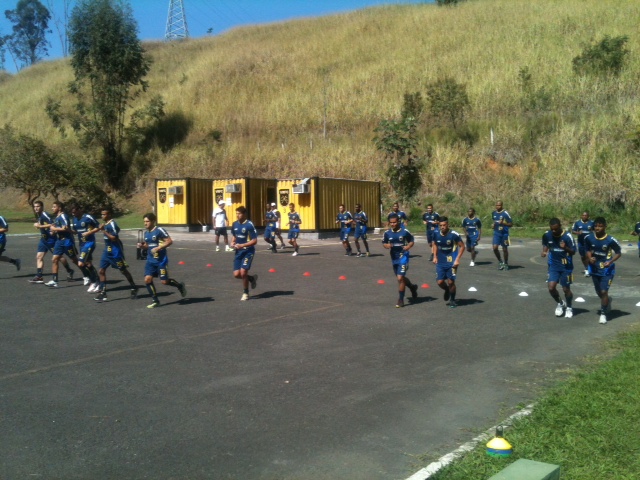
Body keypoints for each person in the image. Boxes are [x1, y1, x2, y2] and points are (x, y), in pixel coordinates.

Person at [137, 213, 187, 308]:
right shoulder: (146, 233)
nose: (145, 223)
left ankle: (179, 286)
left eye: (147, 221)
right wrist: (143, 246)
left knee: (164, 282)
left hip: (161, 261)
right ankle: (155, 300)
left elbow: (169, 241)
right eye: (144, 221)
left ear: (153, 221)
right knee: (147, 279)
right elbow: (149, 246)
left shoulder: (159, 230)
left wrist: (159, 247)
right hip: (150, 261)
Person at [94, 207, 139, 302]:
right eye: (101, 214)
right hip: (107, 251)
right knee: (101, 271)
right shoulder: (105, 224)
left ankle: (133, 287)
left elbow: (114, 238)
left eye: (104, 214)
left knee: (123, 270)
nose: (102, 216)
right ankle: (103, 292)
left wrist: (103, 231)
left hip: (115, 252)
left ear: (109, 215)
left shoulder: (112, 224)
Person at [584, 217, 622, 325]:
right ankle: (607, 301)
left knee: (604, 291)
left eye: (600, 226)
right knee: (599, 292)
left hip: (606, 269)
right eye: (596, 226)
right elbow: (587, 249)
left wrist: (610, 261)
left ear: (605, 226)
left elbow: (618, 253)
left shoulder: (610, 240)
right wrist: (590, 258)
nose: (597, 228)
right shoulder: (589, 238)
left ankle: (603, 314)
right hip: (594, 268)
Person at [29, 200, 73, 283]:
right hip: (43, 240)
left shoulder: (45, 214)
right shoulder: (39, 215)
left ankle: (69, 270)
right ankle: (39, 276)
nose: (36, 208)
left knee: (59, 257)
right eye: (35, 207)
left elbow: (53, 224)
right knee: (39, 256)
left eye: (38, 206)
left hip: (51, 240)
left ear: (42, 207)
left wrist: (40, 226)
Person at [541, 218, 576, 318]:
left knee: (566, 289)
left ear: (560, 226)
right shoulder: (547, 235)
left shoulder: (568, 236)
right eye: (552, 229)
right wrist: (544, 251)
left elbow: (573, 251)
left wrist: (565, 248)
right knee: (551, 288)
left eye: (556, 229)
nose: (554, 231)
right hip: (553, 265)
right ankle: (560, 303)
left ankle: (569, 307)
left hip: (566, 266)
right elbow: (546, 243)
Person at [382, 213, 418, 308]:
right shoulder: (387, 233)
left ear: (398, 222)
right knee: (401, 278)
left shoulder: (404, 231)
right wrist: (387, 246)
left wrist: (408, 246)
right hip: (394, 257)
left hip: (403, 256)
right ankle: (412, 287)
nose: (393, 224)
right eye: (391, 223)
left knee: (400, 278)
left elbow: (411, 240)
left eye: (394, 222)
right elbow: (384, 243)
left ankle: (400, 299)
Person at [46, 201, 82, 287]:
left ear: (60, 208)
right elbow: (59, 228)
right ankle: (55, 281)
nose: (52, 208)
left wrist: (55, 228)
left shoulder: (63, 216)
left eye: (54, 207)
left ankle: (87, 275)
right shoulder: (57, 217)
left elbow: (66, 228)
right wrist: (53, 232)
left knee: (74, 260)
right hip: (59, 241)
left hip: (67, 241)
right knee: (54, 259)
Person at [432, 216, 465, 308]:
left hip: (452, 262)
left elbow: (462, 246)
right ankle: (446, 289)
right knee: (440, 282)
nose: (442, 227)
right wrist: (434, 256)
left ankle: (453, 300)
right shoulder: (436, 234)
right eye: (441, 225)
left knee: (451, 282)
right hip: (440, 261)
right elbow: (434, 244)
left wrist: (457, 259)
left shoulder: (454, 234)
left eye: (444, 225)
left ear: (448, 225)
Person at [70, 203, 100, 291]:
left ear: (79, 210)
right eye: (72, 213)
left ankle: (94, 281)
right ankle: (96, 282)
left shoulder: (88, 217)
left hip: (89, 243)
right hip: (82, 244)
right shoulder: (74, 219)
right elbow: (75, 231)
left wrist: (89, 233)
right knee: (88, 263)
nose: (73, 214)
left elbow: (98, 227)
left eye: (74, 212)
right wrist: (67, 230)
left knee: (81, 263)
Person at [231, 206, 259, 301]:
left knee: (243, 272)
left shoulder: (249, 225)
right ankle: (251, 279)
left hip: (248, 251)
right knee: (236, 274)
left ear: (244, 214)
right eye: (236, 213)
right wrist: (232, 242)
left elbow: (255, 240)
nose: (237, 215)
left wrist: (243, 245)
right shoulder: (234, 224)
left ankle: (246, 293)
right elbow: (234, 236)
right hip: (238, 252)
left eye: (239, 213)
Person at [572, 211, 595, 276]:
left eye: (586, 215)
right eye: (583, 215)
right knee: (583, 256)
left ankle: (588, 269)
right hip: (581, 242)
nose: (584, 217)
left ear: (588, 216)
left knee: (589, 255)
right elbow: (573, 231)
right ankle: (586, 267)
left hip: (589, 243)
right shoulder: (577, 223)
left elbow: (596, 229)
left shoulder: (592, 223)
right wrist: (577, 233)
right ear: (581, 216)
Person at [491, 200, 513, 270]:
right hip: (496, 233)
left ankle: (506, 263)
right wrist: (493, 225)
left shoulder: (505, 213)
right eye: (497, 205)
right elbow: (494, 222)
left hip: (505, 234)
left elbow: (511, 224)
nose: (498, 206)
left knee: (505, 249)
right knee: (495, 248)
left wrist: (504, 223)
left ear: (502, 205)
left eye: (499, 205)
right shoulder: (493, 213)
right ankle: (500, 262)